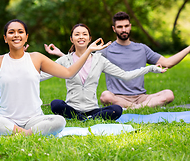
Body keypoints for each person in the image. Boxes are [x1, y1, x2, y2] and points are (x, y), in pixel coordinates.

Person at [46, 12, 190, 109]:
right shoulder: (106, 50)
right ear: (114, 29)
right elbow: (82, 60)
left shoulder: (142, 49)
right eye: (120, 27)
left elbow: (168, 63)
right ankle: (135, 108)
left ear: (130, 27)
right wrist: (61, 55)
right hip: (117, 98)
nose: (123, 29)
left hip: (142, 97)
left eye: (126, 26)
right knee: (105, 96)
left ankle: (134, 108)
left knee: (168, 94)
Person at [41, 24, 166, 121]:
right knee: (56, 104)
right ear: (71, 39)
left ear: (89, 39)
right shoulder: (64, 60)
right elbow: (41, 76)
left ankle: (84, 119)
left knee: (116, 109)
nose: (81, 37)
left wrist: (151, 68)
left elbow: (125, 75)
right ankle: (83, 119)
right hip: (72, 108)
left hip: (93, 109)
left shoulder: (99, 60)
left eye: (84, 34)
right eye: (77, 34)